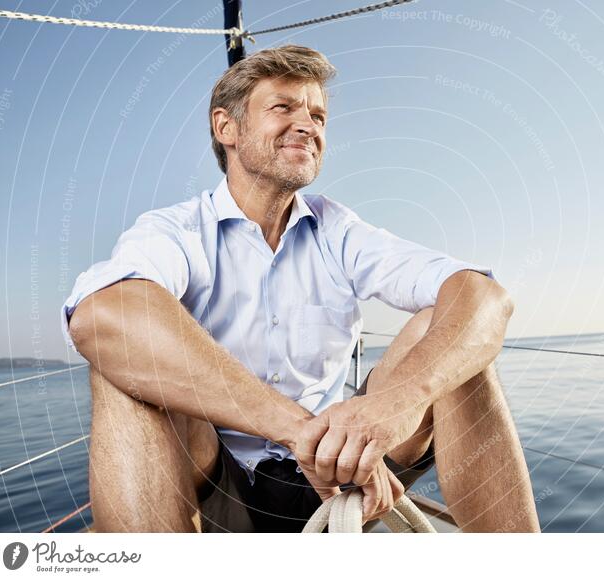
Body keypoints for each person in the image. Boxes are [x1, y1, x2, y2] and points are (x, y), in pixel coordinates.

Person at [62, 45, 539, 533]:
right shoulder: (175, 231)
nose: (308, 125)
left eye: (318, 114)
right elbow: (103, 314)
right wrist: (298, 431)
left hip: (346, 467)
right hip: (222, 480)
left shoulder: (338, 229)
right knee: (123, 369)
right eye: (283, 107)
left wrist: (391, 407)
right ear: (226, 127)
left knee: (450, 330)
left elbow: (484, 296)